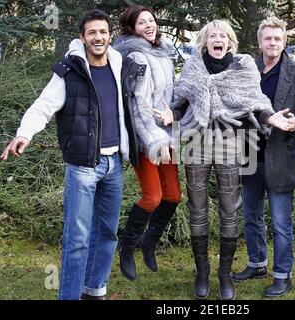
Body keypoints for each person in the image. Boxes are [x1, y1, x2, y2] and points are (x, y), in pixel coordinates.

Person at [0, 9, 140, 300]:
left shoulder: (120, 66)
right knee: (76, 239)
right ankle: (70, 296)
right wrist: (24, 134)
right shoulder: (70, 71)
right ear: (82, 37)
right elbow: (43, 106)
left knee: (107, 234)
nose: (98, 37)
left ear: (109, 35)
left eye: (102, 32)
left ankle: (95, 290)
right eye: (92, 33)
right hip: (82, 167)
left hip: (114, 164)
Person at [161, 19, 295, 300]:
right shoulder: (193, 66)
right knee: (197, 208)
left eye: (223, 35)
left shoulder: (243, 67)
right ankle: (201, 272)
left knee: (229, 209)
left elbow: (254, 102)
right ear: (205, 41)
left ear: (230, 41)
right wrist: (170, 116)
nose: (218, 38)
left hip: (230, 142)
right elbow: (181, 102)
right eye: (213, 35)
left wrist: (270, 118)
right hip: (196, 141)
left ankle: (224, 274)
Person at [231, 17, 295, 298]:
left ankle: (282, 274)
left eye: (278, 39)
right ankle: (256, 263)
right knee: (251, 216)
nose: (273, 43)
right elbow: (236, 105)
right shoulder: (247, 70)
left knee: (281, 222)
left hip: (281, 155)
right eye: (268, 39)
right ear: (259, 41)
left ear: (284, 42)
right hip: (250, 153)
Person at [113, 5, 181, 282]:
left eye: (151, 20)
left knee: (174, 196)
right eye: (142, 22)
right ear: (132, 28)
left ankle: (148, 242)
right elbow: (138, 107)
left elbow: (171, 97)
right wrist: (153, 140)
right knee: (152, 197)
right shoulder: (137, 56)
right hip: (146, 139)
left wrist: (174, 127)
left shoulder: (162, 53)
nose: (149, 25)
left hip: (167, 135)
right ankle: (127, 247)